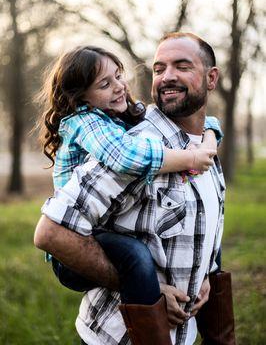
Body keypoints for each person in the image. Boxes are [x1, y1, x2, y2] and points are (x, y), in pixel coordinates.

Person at [34, 32, 229, 345]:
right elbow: (50, 233)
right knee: (133, 254)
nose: (168, 77)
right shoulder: (132, 149)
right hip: (118, 337)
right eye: (159, 68)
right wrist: (152, 288)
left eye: (182, 66)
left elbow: (205, 223)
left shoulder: (204, 146)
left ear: (211, 78)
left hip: (183, 333)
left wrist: (206, 271)